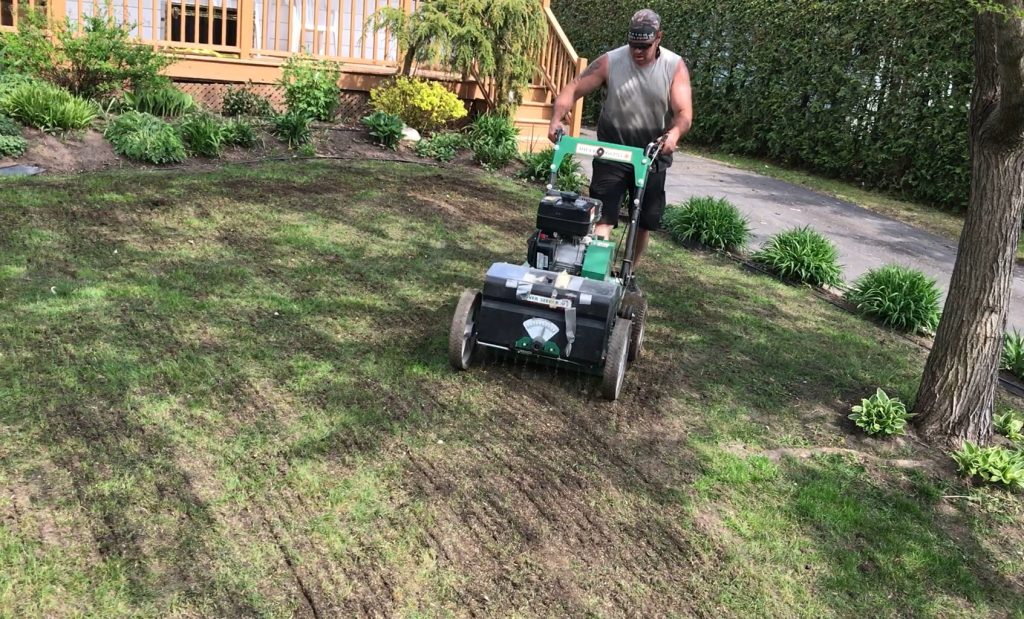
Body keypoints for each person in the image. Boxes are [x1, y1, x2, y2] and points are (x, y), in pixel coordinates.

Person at [547, 8, 692, 267]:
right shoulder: (610, 61)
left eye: (644, 46)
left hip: (651, 155)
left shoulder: (674, 66)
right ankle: (596, 271)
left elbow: (684, 113)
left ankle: (629, 273)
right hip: (612, 152)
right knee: (604, 216)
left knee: (642, 222)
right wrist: (557, 119)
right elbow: (573, 89)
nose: (637, 51)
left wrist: (674, 133)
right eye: (633, 44)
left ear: (658, 38)